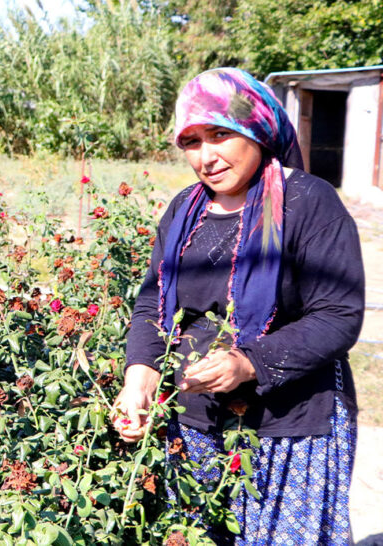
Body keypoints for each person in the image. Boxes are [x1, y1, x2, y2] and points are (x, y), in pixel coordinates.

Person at [115, 67, 364, 544]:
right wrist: (140, 379)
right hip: (196, 423)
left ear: (258, 128)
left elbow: (338, 314)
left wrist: (249, 362)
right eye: (191, 141)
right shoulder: (182, 210)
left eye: (220, 134)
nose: (206, 157)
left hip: (290, 425)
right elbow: (154, 300)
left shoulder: (309, 202)